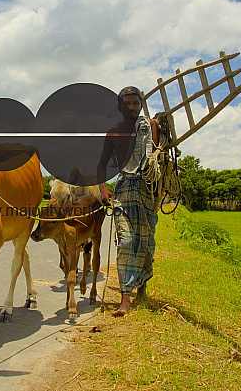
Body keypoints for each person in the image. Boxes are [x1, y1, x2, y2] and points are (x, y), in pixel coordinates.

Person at [97, 86, 158, 317]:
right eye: (127, 103)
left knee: (145, 242)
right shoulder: (113, 134)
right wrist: (104, 189)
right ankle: (125, 297)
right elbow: (101, 165)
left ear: (141, 105)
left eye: (136, 103)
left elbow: (156, 155)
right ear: (119, 106)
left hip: (146, 191)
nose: (132, 107)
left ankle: (142, 287)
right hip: (123, 190)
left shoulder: (149, 126)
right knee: (125, 241)